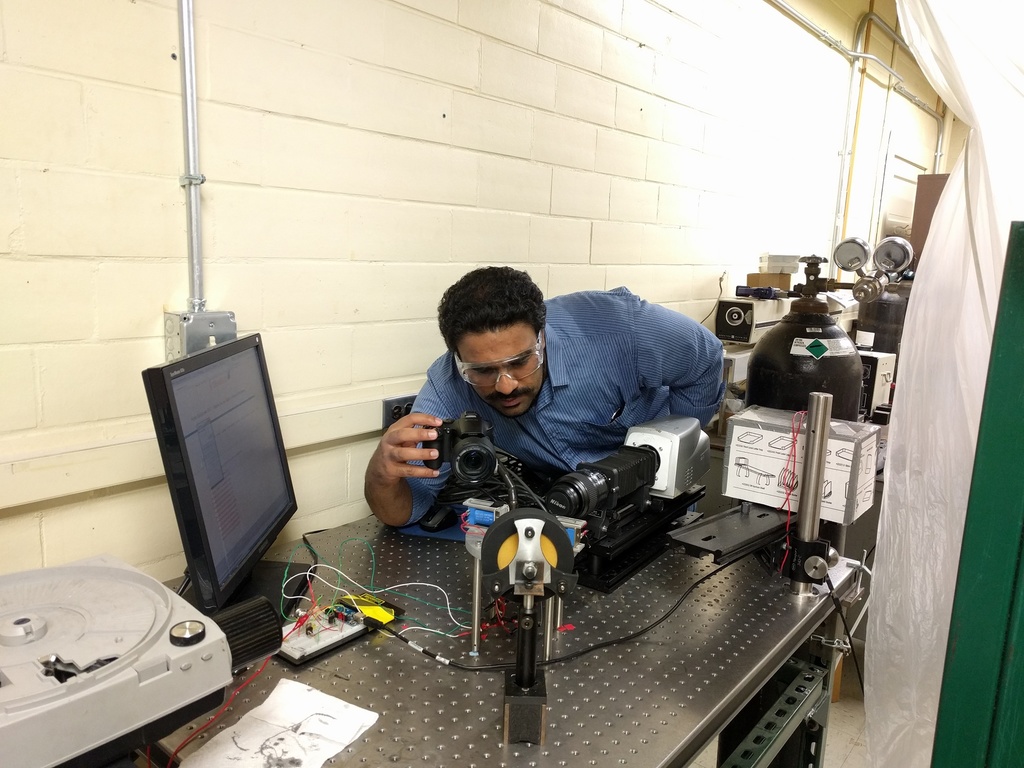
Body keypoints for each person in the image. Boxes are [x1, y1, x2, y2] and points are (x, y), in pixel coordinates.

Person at [364, 266, 725, 527]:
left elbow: (706, 357)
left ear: (542, 335)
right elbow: (406, 511)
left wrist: (671, 450)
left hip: (654, 500)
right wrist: (381, 474)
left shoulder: (620, 329)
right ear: (457, 358)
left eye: (521, 362)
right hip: (564, 501)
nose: (505, 386)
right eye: (484, 371)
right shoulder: (448, 385)